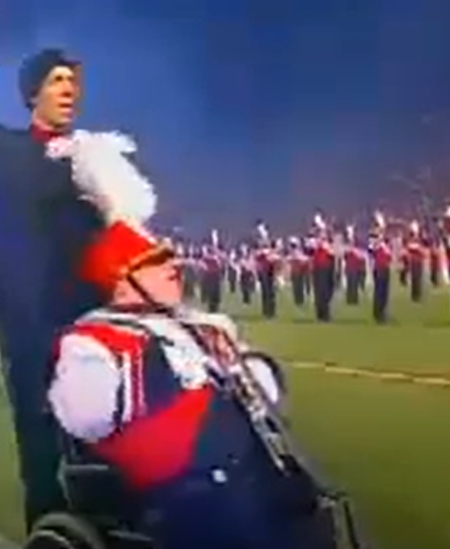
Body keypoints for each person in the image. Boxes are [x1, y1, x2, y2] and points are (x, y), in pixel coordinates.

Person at [0, 35, 156, 527]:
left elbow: (124, 234)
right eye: (57, 81)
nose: (69, 89)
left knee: (108, 450)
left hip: (97, 327)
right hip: (31, 331)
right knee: (42, 458)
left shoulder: (92, 158)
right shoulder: (6, 151)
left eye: (73, 81)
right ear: (32, 93)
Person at [48, 218, 341, 549]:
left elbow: (267, 393)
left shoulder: (201, 324)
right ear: (122, 281)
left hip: (240, 470)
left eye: (169, 256)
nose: (173, 265)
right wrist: (156, 368)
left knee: (307, 509)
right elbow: (87, 418)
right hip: (172, 487)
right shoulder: (89, 341)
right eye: (156, 260)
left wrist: (240, 368)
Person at [369, 211, 392, 324]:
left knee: (384, 292)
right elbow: (372, 249)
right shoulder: (374, 235)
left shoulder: (383, 236)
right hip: (379, 267)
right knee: (379, 291)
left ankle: (383, 312)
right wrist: (380, 237)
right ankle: (378, 314)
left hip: (385, 266)